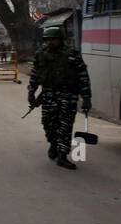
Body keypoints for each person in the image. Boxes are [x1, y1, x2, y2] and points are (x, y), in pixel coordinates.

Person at [27, 25, 92, 170]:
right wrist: (31, 91)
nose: (50, 42)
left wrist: (86, 97)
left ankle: (62, 155)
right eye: (47, 39)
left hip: (68, 95)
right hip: (48, 94)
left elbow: (83, 77)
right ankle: (53, 143)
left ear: (61, 39)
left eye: (54, 39)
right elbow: (35, 74)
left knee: (65, 125)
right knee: (48, 123)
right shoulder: (41, 55)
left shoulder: (72, 55)